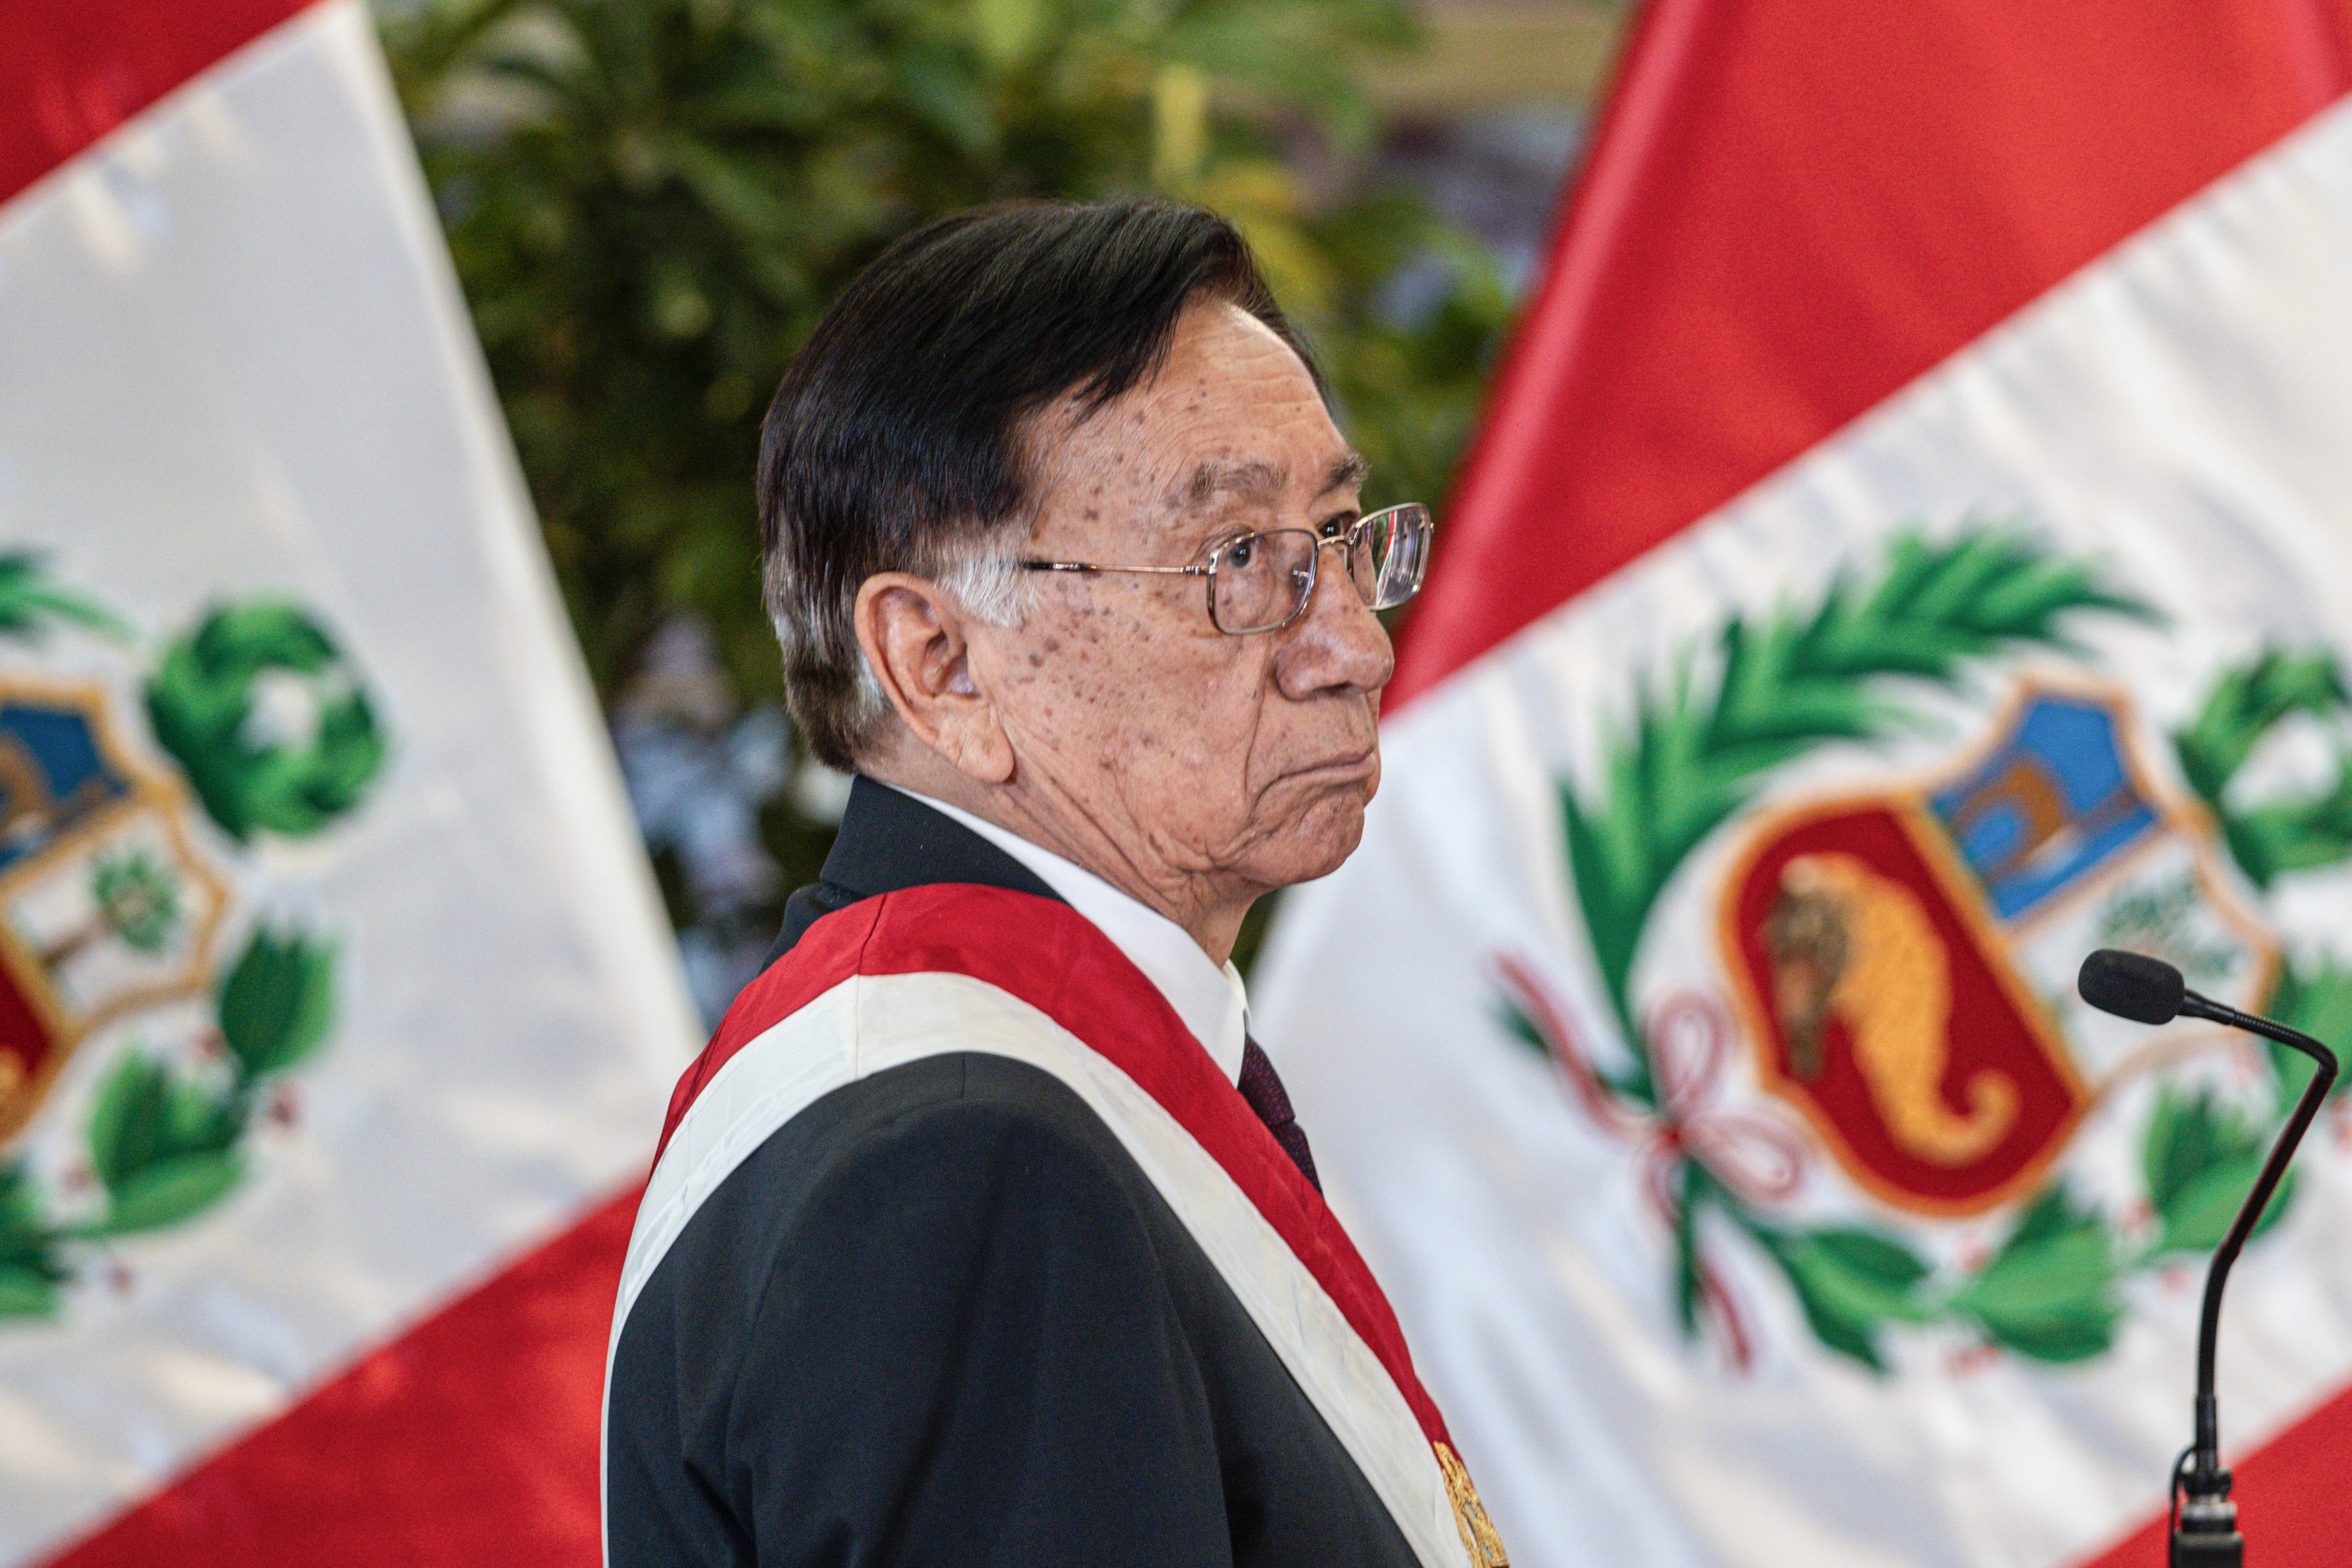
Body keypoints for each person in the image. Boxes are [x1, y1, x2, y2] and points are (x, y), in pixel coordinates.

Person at [603, 197, 1509, 1568]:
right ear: (939, 664)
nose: (1354, 646)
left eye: (1340, 533)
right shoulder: (957, 1153)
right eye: (1243, 562)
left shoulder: (980, 1082)